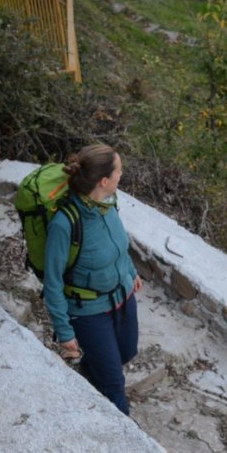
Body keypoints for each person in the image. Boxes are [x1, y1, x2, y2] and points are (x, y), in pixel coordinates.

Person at [43, 144, 142, 414]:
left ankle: (91, 371)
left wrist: (130, 272)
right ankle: (128, 438)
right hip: (88, 312)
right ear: (104, 180)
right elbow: (52, 284)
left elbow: (119, 244)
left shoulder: (108, 205)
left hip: (122, 297)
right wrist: (65, 333)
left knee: (126, 352)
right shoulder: (65, 225)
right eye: (119, 171)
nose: (122, 175)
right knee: (113, 383)